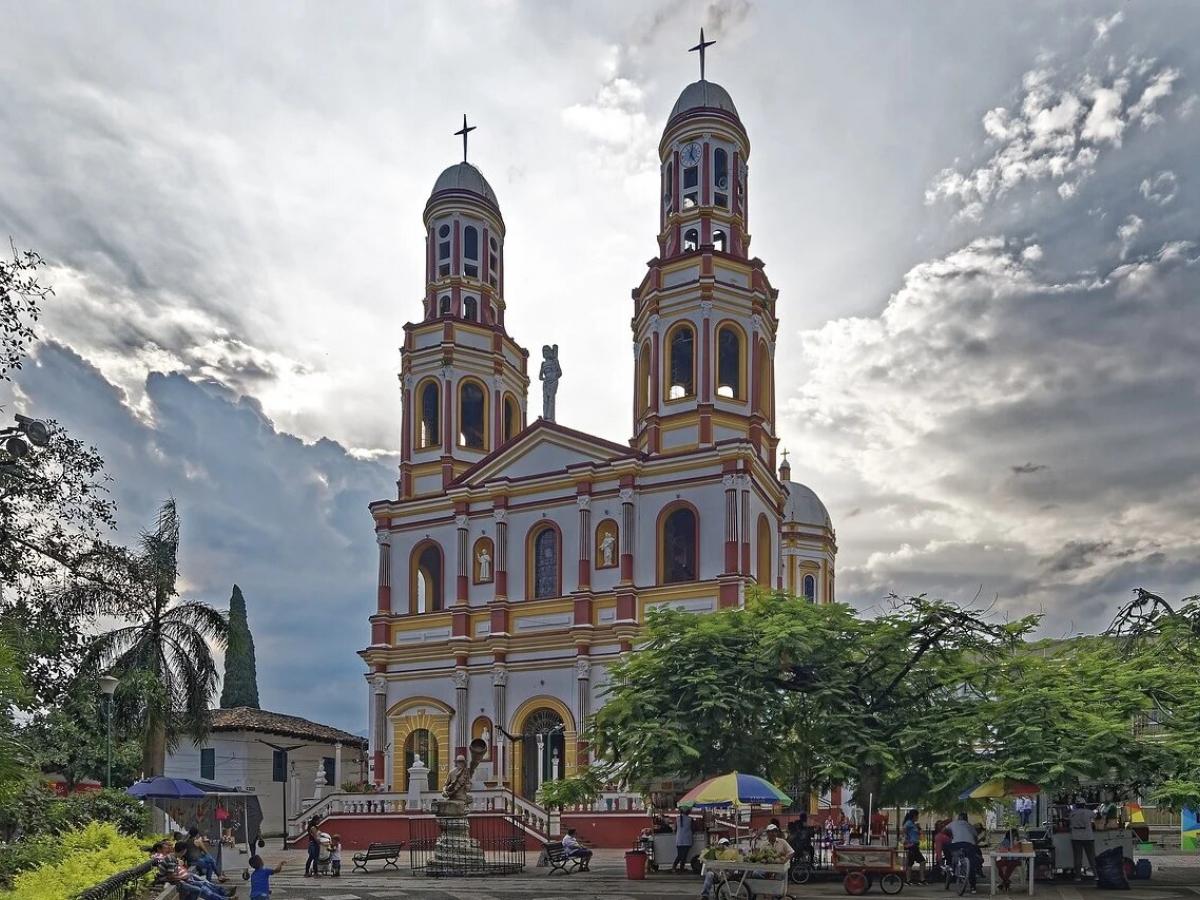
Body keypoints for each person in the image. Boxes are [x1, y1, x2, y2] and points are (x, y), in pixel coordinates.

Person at [153, 839, 236, 900]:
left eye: (170, 846)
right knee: (200, 889)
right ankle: (224, 896)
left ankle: (224, 894)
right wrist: (183, 877)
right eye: (167, 847)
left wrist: (184, 876)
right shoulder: (167, 858)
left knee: (203, 883)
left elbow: (173, 872)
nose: (169, 848)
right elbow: (170, 876)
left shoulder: (172, 857)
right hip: (177, 881)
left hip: (181, 878)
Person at [947, 812, 982, 894]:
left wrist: (951, 835)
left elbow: (944, 830)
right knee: (972, 864)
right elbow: (975, 837)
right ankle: (973, 887)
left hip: (957, 844)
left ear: (958, 817)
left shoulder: (953, 823)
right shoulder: (970, 825)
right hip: (969, 845)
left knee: (947, 848)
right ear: (966, 819)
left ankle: (951, 866)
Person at [1069, 802, 1097, 881]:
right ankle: (1096, 875)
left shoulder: (1072, 813)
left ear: (1076, 805)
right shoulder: (1088, 812)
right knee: (1091, 857)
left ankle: (1078, 876)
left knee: (1078, 857)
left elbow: (1069, 822)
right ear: (1084, 805)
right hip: (1088, 837)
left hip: (1076, 837)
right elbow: (1096, 816)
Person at [902, 809, 927, 885]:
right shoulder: (909, 823)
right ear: (914, 816)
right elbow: (904, 830)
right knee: (919, 862)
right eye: (917, 816)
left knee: (913, 862)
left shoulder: (913, 824)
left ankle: (913, 880)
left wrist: (918, 829)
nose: (918, 817)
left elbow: (919, 834)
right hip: (912, 846)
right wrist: (907, 840)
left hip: (915, 845)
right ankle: (911, 880)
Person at [673, 808, 695, 873]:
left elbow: (674, 829)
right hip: (687, 840)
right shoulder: (690, 819)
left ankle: (675, 867)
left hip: (679, 839)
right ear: (688, 812)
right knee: (684, 855)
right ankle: (680, 868)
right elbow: (693, 829)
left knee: (679, 855)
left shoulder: (677, 818)